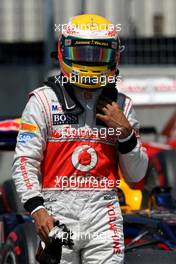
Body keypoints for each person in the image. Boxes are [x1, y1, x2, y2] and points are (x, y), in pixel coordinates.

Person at [12, 14, 148, 264]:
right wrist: (37, 209)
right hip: (55, 213)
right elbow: (24, 162)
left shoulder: (122, 107)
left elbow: (137, 176)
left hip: (104, 214)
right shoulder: (42, 101)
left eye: (98, 56)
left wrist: (126, 134)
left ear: (114, 56)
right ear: (64, 51)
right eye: (83, 53)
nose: (90, 62)